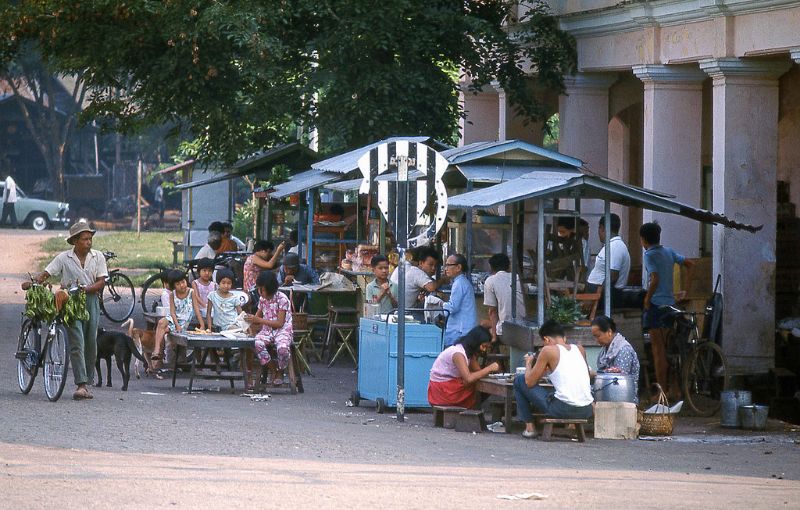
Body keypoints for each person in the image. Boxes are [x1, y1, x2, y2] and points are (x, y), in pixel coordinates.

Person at [36, 220, 107, 400]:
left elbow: (101, 282)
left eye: (90, 239)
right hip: (70, 301)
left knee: (91, 342)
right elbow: (47, 273)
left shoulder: (98, 257)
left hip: (90, 300)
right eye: (84, 239)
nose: (88, 242)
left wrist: (85, 289)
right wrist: (37, 280)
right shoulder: (63, 258)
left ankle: (87, 382)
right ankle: (81, 384)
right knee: (77, 341)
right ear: (75, 241)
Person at [513, 320, 594, 438]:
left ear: (546, 339)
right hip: (586, 410)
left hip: (562, 409)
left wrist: (529, 363)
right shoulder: (580, 349)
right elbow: (586, 375)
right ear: (564, 338)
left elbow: (529, 382)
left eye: (543, 342)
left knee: (519, 380)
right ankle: (571, 426)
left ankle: (530, 428)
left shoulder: (548, 350)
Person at [640, 222, 694, 397]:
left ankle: (661, 392)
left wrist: (647, 299)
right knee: (670, 350)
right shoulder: (668, 252)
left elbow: (654, 279)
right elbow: (690, 264)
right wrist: (685, 290)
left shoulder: (649, 254)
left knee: (658, 352)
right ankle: (674, 389)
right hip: (671, 306)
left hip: (656, 306)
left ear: (643, 239)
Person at [428, 325, 501, 408]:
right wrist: (489, 368)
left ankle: (473, 412)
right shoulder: (458, 353)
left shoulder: (469, 353)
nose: (484, 350)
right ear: (475, 342)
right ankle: (472, 411)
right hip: (442, 391)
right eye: (483, 346)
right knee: (474, 384)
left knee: (482, 383)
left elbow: (478, 371)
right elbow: (468, 378)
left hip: (448, 387)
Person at [246, 271, 293, 385]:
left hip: (282, 331)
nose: (260, 292)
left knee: (282, 348)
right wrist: (249, 321)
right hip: (267, 331)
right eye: (259, 289)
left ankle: (281, 370)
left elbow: (280, 323)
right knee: (257, 343)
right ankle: (274, 368)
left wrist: (259, 321)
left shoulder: (282, 299)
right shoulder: (262, 300)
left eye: (262, 290)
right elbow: (257, 317)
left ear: (270, 289)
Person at [152, 270, 202, 367]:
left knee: (163, 331)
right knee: (161, 323)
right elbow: (172, 312)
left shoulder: (191, 292)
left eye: (183, 282)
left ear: (186, 280)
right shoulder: (172, 294)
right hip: (175, 319)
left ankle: (158, 356)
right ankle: (157, 351)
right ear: (173, 286)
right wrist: (177, 325)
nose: (182, 285)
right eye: (178, 284)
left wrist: (202, 324)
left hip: (184, 320)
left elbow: (196, 309)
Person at [591, 315, 640, 403]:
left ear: (609, 331)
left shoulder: (623, 349)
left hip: (623, 397)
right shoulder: (606, 350)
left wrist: (595, 375)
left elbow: (618, 380)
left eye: (598, 336)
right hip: (608, 391)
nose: (596, 340)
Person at [586, 213, 631, 305]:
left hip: (606, 296)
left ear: (602, 228)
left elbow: (613, 275)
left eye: (599, 228)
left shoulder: (615, 246)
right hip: (600, 293)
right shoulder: (611, 245)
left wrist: (598, 295)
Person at [483, 253, 526, 343]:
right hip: (524, 325)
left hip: (506, 329)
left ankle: (494, 354)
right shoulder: (517, 278)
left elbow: (492, 311)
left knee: (483, 324)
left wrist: (494, 337)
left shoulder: (490, 281)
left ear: (491, 267)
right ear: (508, 266)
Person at [442, 253, 478, 347]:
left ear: (458, 267)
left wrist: (441, 304)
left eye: (449, 265)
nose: (446, 268)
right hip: (463, 330)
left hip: (460, 332)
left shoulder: (459, 283)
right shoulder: (461, 282)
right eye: (446, 265)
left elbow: (453, 308)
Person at [191, 258, 217, 329]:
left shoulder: (213, 284)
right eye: (204, 270)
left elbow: (214, 297)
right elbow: (196, 296)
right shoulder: (195, 283)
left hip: (210, 308)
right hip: (199, 308)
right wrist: (204, 305)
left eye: (209, 271)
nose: (207, 273)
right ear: (199, 271)